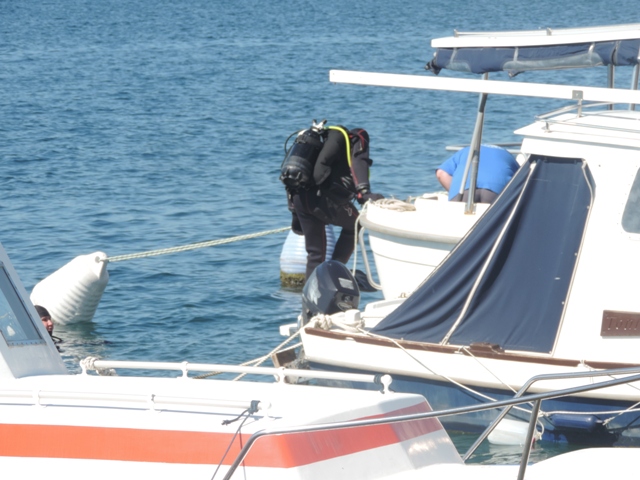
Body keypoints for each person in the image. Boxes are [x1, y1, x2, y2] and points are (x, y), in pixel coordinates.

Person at [287, 126, 383, 280]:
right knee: (356, 224)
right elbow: (359, 163)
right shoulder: (357, 139)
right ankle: (334, 272)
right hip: (321, 199)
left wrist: (294, 212)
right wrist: (364, 193)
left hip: (299, 197)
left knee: (315, 254)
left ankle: (312, 291)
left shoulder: (319, 142)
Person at [436, 144, 519, 204]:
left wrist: (456, 191)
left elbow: (441, 173)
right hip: (496, 192)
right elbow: (521, 180)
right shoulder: (508, 155)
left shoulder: (466, 150)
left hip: (464, 191)